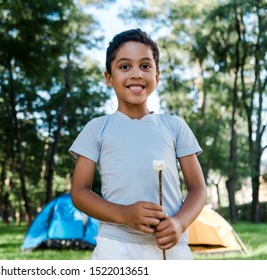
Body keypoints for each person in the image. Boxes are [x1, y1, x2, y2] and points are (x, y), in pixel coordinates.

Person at [69, 28, 207, 260]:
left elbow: (198, 189)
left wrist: (179, 223)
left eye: (145, 66)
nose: (136, 74)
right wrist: (123, 214)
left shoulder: (175, 126)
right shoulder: (97, 128)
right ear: (109, 77)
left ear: (157, 76)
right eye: (125, 67)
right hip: (115, 247)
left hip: (171, 247)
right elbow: (80, 192)